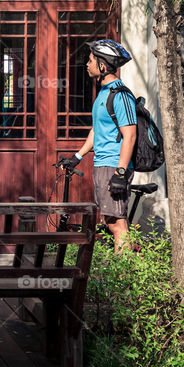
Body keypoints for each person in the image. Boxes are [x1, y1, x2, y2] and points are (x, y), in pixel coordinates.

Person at [61, 39, 137, 252]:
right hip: (103, 164)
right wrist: (78, 156)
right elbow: (98, 130)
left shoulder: (120, 94)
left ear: (102, 66)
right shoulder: (103, 94)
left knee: (117, 224)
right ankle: (128, 270)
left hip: (113, 165)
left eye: (91, 60)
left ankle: (121, 280)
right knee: (111, 221)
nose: (87, 64)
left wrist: (120, 173)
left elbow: (129, 135)